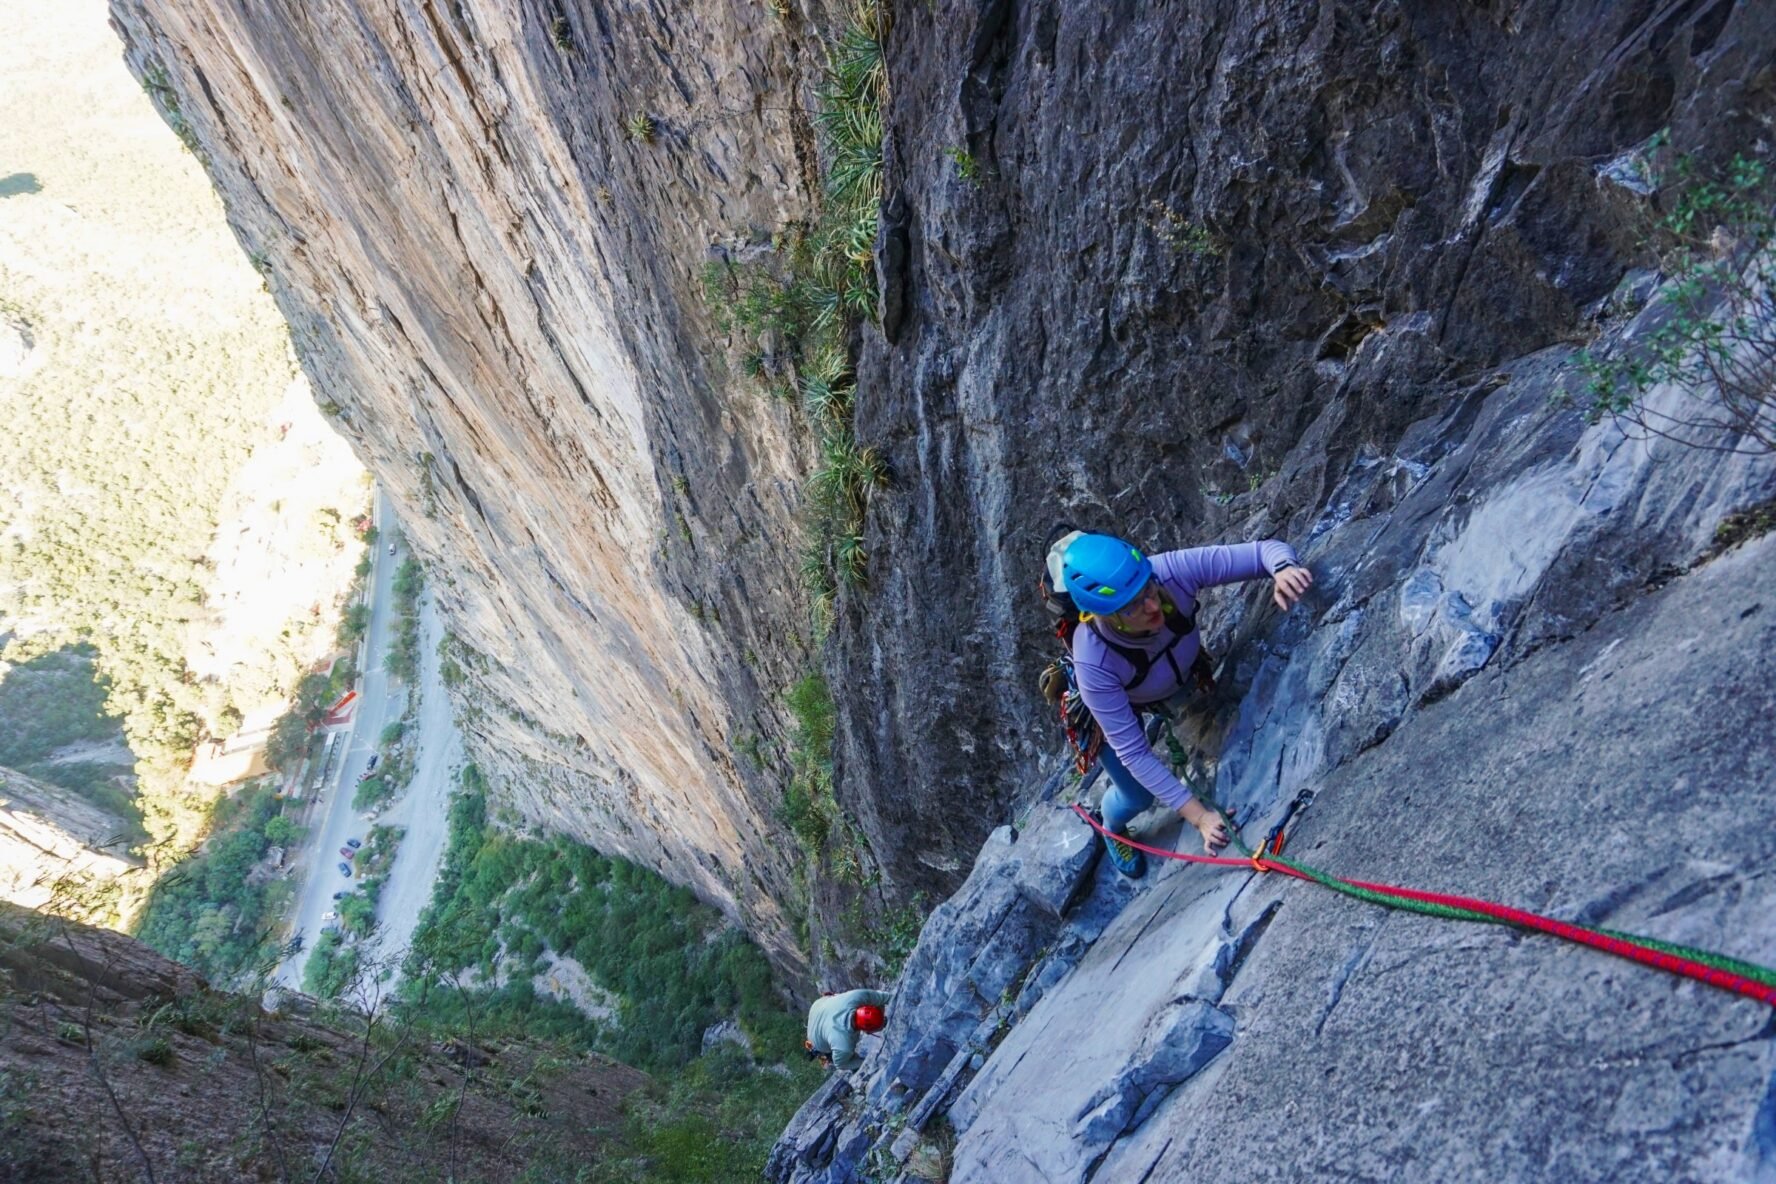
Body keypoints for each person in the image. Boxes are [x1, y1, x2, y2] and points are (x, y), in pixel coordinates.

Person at [1058, 532, 1313, 878]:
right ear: (1105, 616)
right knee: (1136, 798)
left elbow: (1264, 551)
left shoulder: (1171, 571)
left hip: (1177, 676)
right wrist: (1200, 817)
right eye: (1132, 606)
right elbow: (1134, 754)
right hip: (1117, 703)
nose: (1151, 605)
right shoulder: (1094, 663)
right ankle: (1111, 826)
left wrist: (1282, 568)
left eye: (1148, 589)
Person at [804, 988, 890, 1070]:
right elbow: (840, 1064)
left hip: (818, 1006)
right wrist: (867, 1062)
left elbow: (886, 997)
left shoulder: (858, 997)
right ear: (868, 1030)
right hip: (815, 1040)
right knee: (843, 1057)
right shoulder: (844, 1045)